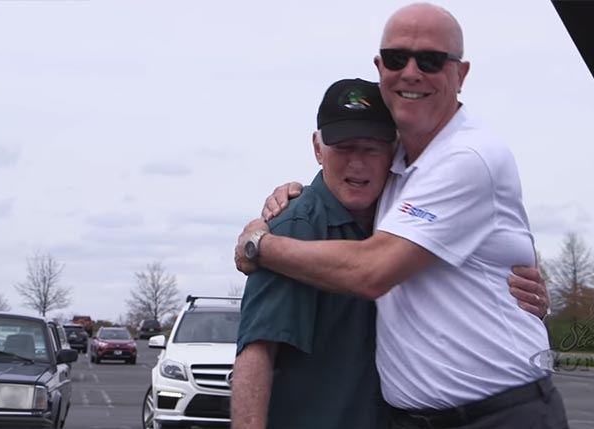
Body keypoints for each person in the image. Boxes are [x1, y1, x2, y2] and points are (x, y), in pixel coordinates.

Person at [234, 3, 567, 428]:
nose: (411, 72)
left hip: (497, 417)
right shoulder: (393, 177)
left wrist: (259, 245)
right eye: (396, 58)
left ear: (460, 74)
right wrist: (289, 206)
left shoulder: (465, 157)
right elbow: (255, 352)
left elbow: (372, 271)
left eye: (430, 60)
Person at [231, 78, 396, 429]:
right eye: (344, 148)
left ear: (394, 151)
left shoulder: (404, 225)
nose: (357, 164)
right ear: (318, 149)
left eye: (371, 148)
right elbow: (257, 352)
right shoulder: (295, 229)